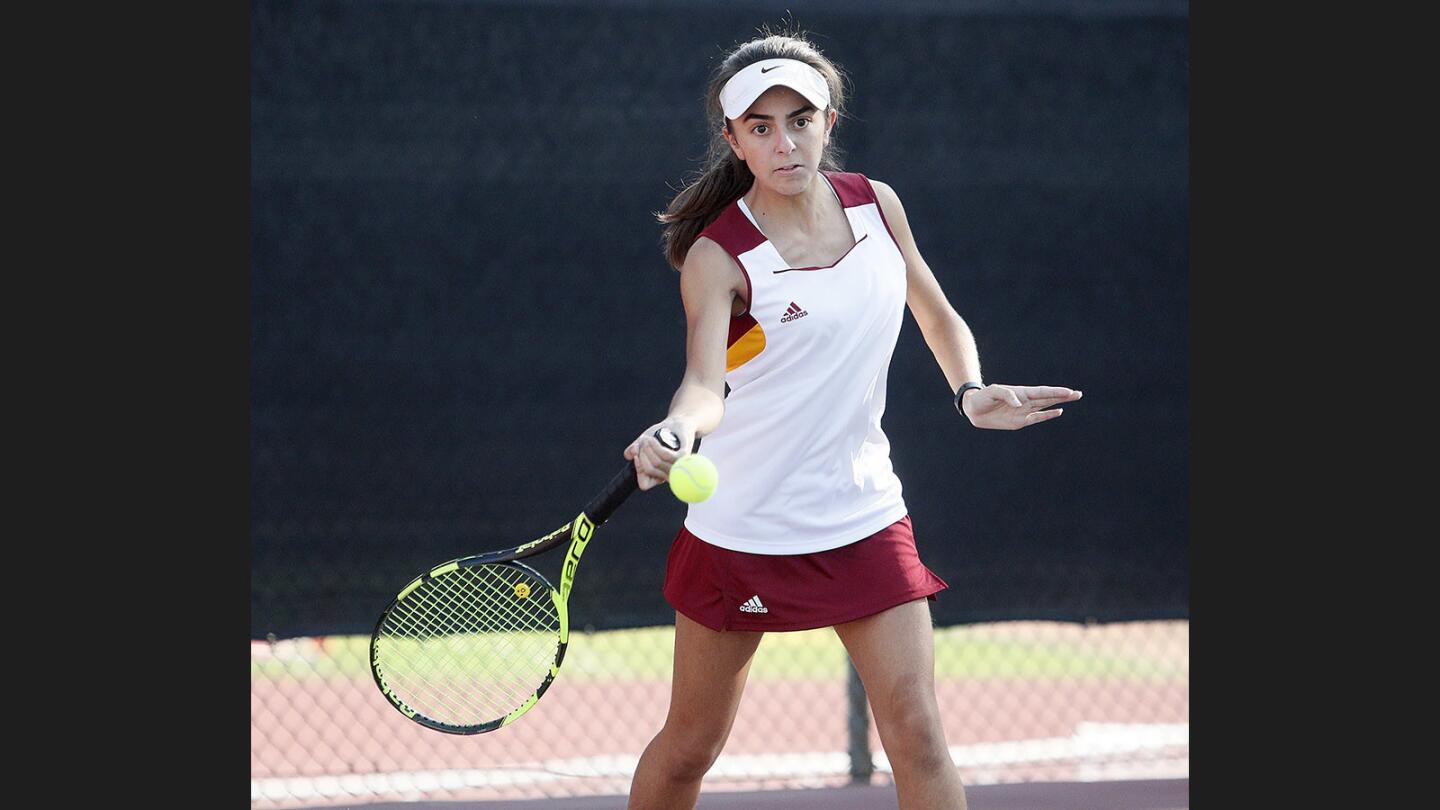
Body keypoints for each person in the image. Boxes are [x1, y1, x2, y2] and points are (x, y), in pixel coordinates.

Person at [621, 29, 1081, 810]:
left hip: (864, 515)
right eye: (759, 127)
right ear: (732, 140)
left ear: (829, 121)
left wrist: (970, 391)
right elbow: (704, 385)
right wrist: (676, 432)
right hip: (744, 531)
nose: (783, 141)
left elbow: (935, 314)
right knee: (691, 749)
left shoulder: (876, 205)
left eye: (799, 119)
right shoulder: (718, 255)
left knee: (919, 734)